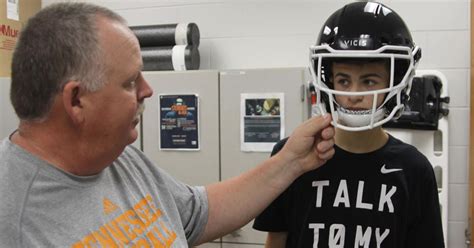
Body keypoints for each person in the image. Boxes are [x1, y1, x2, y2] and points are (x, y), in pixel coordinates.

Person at [0, 3, 335, 247]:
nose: (148, 90)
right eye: (131, 82)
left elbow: (198, 212)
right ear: (76, 101)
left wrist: (291, 161)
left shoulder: (117, 158)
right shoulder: (16, 220)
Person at [253, 2, 445, 248]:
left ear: (396, 81)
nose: (354, 94)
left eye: (369, 81)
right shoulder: (291, 156)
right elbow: (276, 239)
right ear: (328, 80)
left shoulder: (414, 169)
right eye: (343, 81)